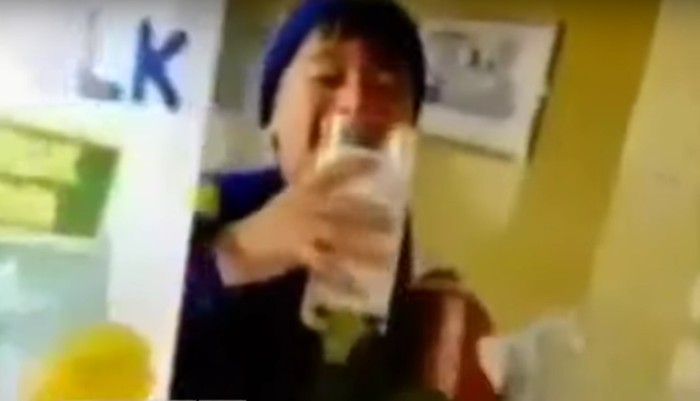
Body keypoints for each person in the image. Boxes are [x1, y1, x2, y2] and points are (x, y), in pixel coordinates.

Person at [169, 1, 493, 400]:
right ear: (273, 117)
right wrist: (232, 257)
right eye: (328, 77)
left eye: (386, 84)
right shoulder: (201, 202)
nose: (356, 102)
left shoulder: (394, 237)